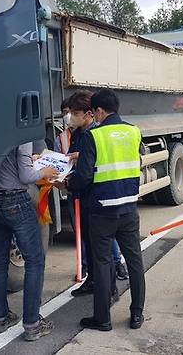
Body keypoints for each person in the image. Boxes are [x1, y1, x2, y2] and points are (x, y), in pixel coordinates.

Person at [61, 88, 146, 331]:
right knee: (134, 262)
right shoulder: (133, 131)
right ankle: (137, 314)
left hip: (102, 210)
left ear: (99, 111)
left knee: (101, 262)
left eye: (94, 112)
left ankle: (103, 319)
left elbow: (84, 176)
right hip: (129, 208)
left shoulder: (93, 136)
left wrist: (66, 184)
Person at [0, 142, 59, 341]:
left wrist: (30, 160)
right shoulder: (22, 134)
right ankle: (32, 324)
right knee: (35, 261)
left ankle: (0, 318)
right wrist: (44, 170)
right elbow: (26, 176)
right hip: (16, 201)